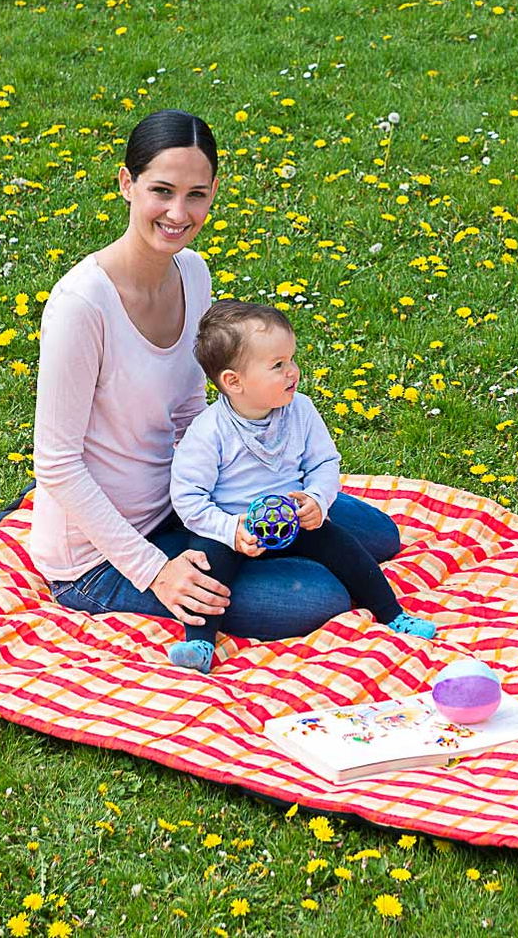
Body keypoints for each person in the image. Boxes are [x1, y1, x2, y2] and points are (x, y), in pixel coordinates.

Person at [31, 109, 403, 642]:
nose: (178, 213)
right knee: (318, 595)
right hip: (102, 556)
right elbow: (57, 463)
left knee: (378, 536)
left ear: (214, 193)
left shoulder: (192, 272)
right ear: (127, 184)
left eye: (196, 195)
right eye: (161, 191)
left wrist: (238, 497)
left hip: (190, 500)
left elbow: (190, 410)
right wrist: (157, 572)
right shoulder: (81, 305)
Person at [165, 301, 436, 672]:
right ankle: (199, 644)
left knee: (347, 549)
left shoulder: (301, 410)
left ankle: (393, 614)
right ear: (234, 382)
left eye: (291, 359)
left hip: (292, 519)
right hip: (233, 528)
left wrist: (316, 500)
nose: (292, 371)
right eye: (278, 365)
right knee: (207, 572)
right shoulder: (209, 432)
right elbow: (188, 498)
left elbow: (324, 463)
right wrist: (229, 529)